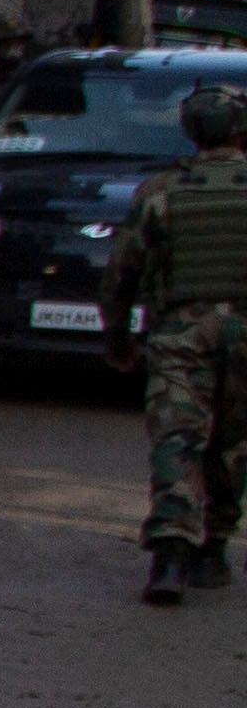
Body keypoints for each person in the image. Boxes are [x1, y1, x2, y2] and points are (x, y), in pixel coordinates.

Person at [102, 80, 247, 609]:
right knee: (233, 443)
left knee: (177, 438)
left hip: (180, 334)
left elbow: (122, 272)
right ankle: (213, 549)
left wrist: (116, 336)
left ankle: (170, 553)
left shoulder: (161, 191)